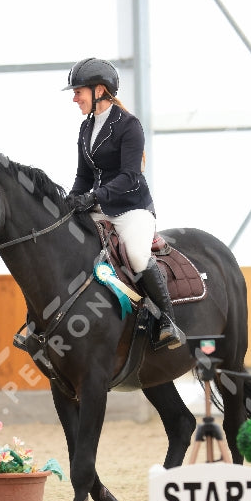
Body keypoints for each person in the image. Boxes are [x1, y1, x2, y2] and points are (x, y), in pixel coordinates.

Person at [63, 57, 185, 349]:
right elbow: (83, 175)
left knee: (138, 255)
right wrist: (68, 202)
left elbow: (130, 176)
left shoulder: (129, 126)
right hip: (99, 206)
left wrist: (94, 196)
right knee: (66, 243)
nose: (74, 98)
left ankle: (168, 320)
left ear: (100, 90)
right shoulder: (86, 128)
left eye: (79, 91)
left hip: (131, 208)